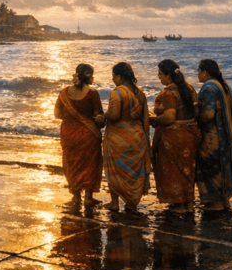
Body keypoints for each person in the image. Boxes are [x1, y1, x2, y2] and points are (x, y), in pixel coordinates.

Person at [95, 62, 150, 212]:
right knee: (133, 171)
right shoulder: (140, 93)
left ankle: (114, 202)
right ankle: (132, 203)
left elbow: (114, 115)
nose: (113, 80)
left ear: (119, 77)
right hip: (137, 137)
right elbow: (145, 117)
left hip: (118, 138)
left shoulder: (118, 92)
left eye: (113, 77)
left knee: (115, 170)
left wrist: (102, 117)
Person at [150, 59, 202, 213]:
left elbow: (169, 117)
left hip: (174, 137)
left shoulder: (168, 93)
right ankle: (189, 204)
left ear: (168, 75)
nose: (158, 77)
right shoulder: (190, 88)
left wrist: (153, 119)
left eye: (160, 74)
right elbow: (196, 112)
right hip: (191, 134)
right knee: (187, 170)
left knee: (173, 170)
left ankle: (178, 205)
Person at [54, 63, 104, 207]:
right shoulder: (92, 93)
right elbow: (98, 115)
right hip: (88, 135)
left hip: (69, 134)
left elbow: (57, 114)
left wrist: (70, 118)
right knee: (89, 164)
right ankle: (88, 197)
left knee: (72, 163)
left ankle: (76, 197)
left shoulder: (64, 92)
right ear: (90, 77)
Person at [195, 58, 232, 211]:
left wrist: (193, 116)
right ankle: (224, 201)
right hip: (226, 137)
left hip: (212, 138)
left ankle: (215, 204)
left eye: (198, 71)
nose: (197, 74)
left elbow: (208, 114)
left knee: (211, 169)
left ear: (205, 72)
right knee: (222, 168)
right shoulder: (224, 86)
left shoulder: (208, 88)